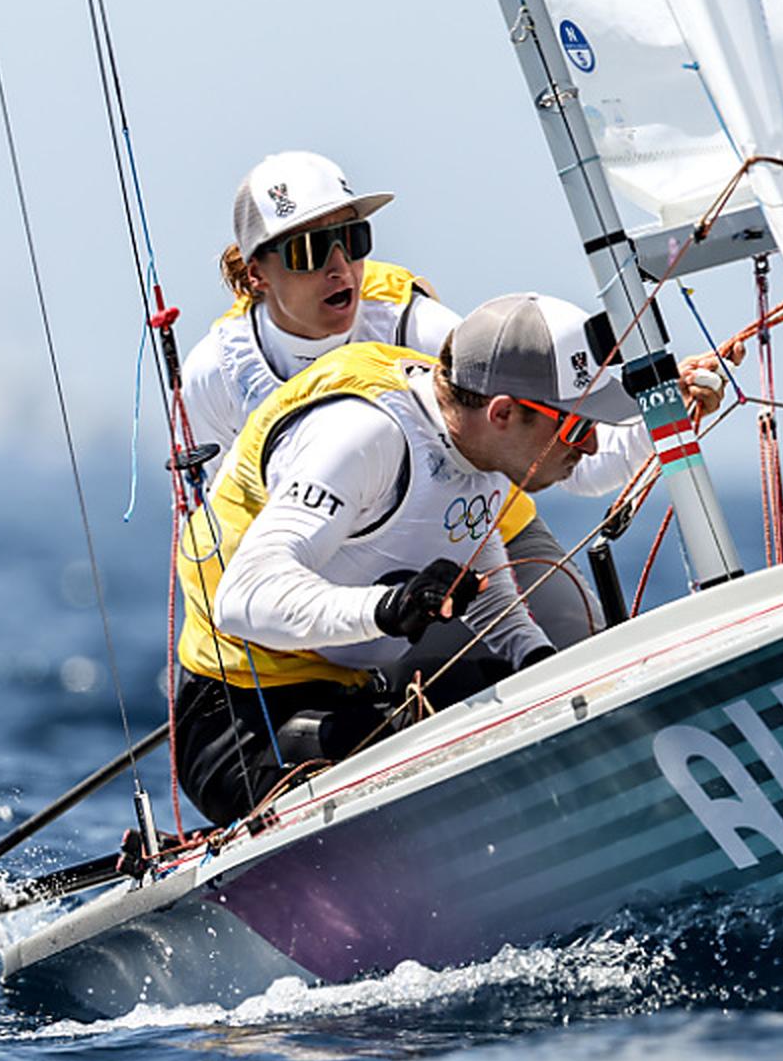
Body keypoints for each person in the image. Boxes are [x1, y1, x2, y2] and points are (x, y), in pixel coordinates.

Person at [172, 293, 692, 826]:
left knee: (517, 700)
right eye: (577, 428)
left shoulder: (482, 445)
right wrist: (388, 609)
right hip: (240, 726)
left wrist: (543, 667)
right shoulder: (363, 437)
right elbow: (241, 600)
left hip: (348, 690)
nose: (587, 447)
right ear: (504, 412)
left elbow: (495, 601)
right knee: (465, 746)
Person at [179, 150, 601, 647]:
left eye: (353, 241)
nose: (340, 268)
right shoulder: (216, 372)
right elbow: (221, 522)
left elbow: (557, 451)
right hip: (338, 551)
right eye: (309, 251)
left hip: (480, 529)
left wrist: (660, 419)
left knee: (579, 635)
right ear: (256, 275)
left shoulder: (418, 327)